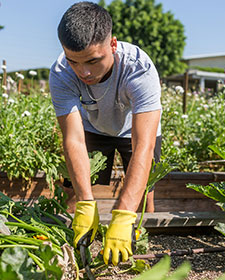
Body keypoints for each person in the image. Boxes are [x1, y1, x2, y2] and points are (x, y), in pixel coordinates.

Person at [49, 1, 162, 266]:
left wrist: (123, 215)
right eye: (74, 61)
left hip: (135, 129)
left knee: (145, 193)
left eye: (92, 61)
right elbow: (73, 139)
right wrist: (87, 203)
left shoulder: (139, 69)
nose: (83, 72)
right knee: (76, 193)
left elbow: (143, 145)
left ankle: (142, 240)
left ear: (112, 44)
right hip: (93, 126)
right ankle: (77, 245)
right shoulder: (61, 72)